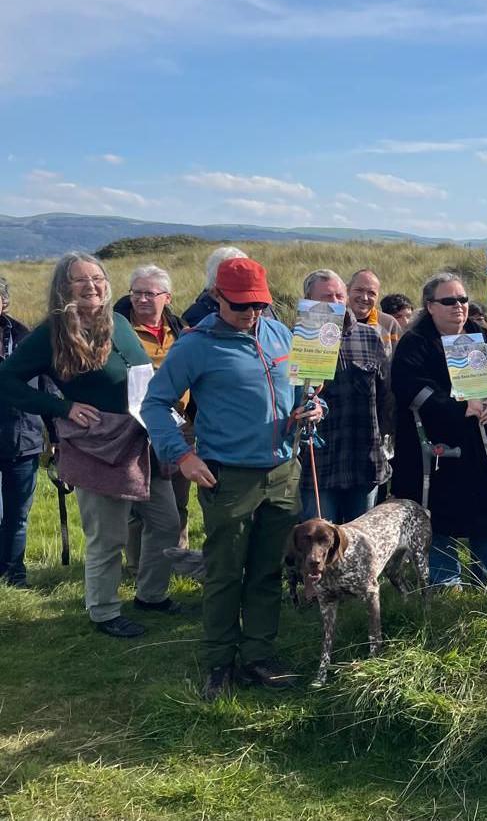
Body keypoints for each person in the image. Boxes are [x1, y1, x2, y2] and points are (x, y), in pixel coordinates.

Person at [143, 257, 320, 696]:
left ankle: (258, 656)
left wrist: (314, 409)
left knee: (267, 570)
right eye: (240, 305)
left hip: (283, 472)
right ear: (216, 297)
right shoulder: (194, 345)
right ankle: (219, 663)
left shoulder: (282, 336)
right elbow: (154, 404)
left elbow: (307, 393)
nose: (250, 314)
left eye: (258, 304)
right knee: (225, 572)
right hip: (227, 478)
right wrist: (182, 457)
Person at [0, 254, 184, 638]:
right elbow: (7, 381)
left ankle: (151, 595)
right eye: (79, 281)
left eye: (97, 278)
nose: (91, 286)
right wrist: (61, 407)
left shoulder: (117, 322)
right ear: (63, 288)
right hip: (98, 445)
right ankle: (103, 611)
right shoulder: (51, 333)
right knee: (108, 536)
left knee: (166, 522)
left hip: (141, 440)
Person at [391, 272, 487, 587]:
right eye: (448, 301)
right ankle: (445, 582)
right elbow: (409, 387)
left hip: (484, 448)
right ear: (430, 306)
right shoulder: (416, 342)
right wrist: (459, 407)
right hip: (440, 452)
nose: (458, 307)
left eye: (462, 299)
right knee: (440, 518)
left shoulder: (482, 334)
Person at [299, 270, 392, 523]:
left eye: (339, 296)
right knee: (318, 543)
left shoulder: (370, 336)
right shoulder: (297, 340)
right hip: (317, 462)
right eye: (326, 297)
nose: (335, 302)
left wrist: (385, 439)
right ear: (308, 299)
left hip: (363, 458)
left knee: (359, 545)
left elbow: (386, 396)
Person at [116, 265, 192, 569]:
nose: (142, 299)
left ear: (167, 297)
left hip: (181, 426)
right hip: (135, 427)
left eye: (150, 293)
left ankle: (177, 560)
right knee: (139, 502)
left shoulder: (180, 329)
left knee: (179, 499)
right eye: (137, 293)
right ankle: (138, 565)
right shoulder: (118, 329)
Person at [0, 275, 46, 588]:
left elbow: (47, 387)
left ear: (4, 302)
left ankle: (14, 577)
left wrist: (55, 435)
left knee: (17, 516)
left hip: (22, 438)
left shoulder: (25, 338)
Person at [182, 246, 278, 327]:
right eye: (240, 305)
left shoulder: (263, 306)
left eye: (257, 305)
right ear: (215, 291)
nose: (251, 312)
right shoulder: (195, 318)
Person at [348, 269, 404, 359]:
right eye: (359, 290)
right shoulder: (334, 320)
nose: (364, 298)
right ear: (347, 290)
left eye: (371, 293)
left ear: (378, 296)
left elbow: (400, 360)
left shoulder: (389, 324)